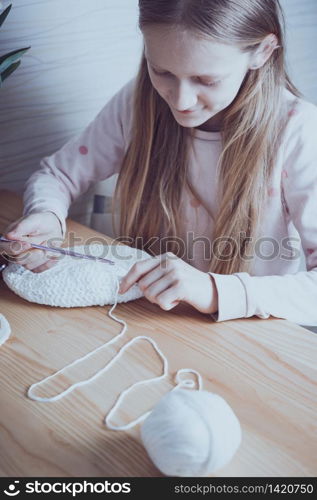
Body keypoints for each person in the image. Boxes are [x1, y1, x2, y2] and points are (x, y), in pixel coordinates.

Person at [1, 0, 317, 324]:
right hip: (150, 320)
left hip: (254, 339)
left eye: (206, 80)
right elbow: (59, 175)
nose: (181, 101)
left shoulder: (298, 131)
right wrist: (47, 214)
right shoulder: (137, 104)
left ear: (263, 51)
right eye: (162, 71)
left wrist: (213, 291)